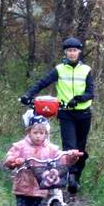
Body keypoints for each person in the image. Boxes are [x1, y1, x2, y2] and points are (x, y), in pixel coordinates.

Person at [20, 37, 94, 195]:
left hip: (84, 114)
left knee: (80, 148)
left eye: (75, 50)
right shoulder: (60, 69)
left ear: (79, 52)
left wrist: (79, 99)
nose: (72, 53)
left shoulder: (86, 70)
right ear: (65, 52)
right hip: (65, 113)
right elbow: (43, 83)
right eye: (69, 51)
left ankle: (77, 176)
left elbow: (90, 93)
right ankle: (71, 176)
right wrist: (28, 94)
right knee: (70, 146)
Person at [3, 114, 81, 206]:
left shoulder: (50, 148)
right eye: (35, 133)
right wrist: (14, 161)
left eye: (42, 133)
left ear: (46, 134)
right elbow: (8, 160)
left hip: (39, 189)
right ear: (28, 132)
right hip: (22, 188)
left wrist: (72, 155)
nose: (38, 136)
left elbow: (62, 158)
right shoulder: (20, 146)